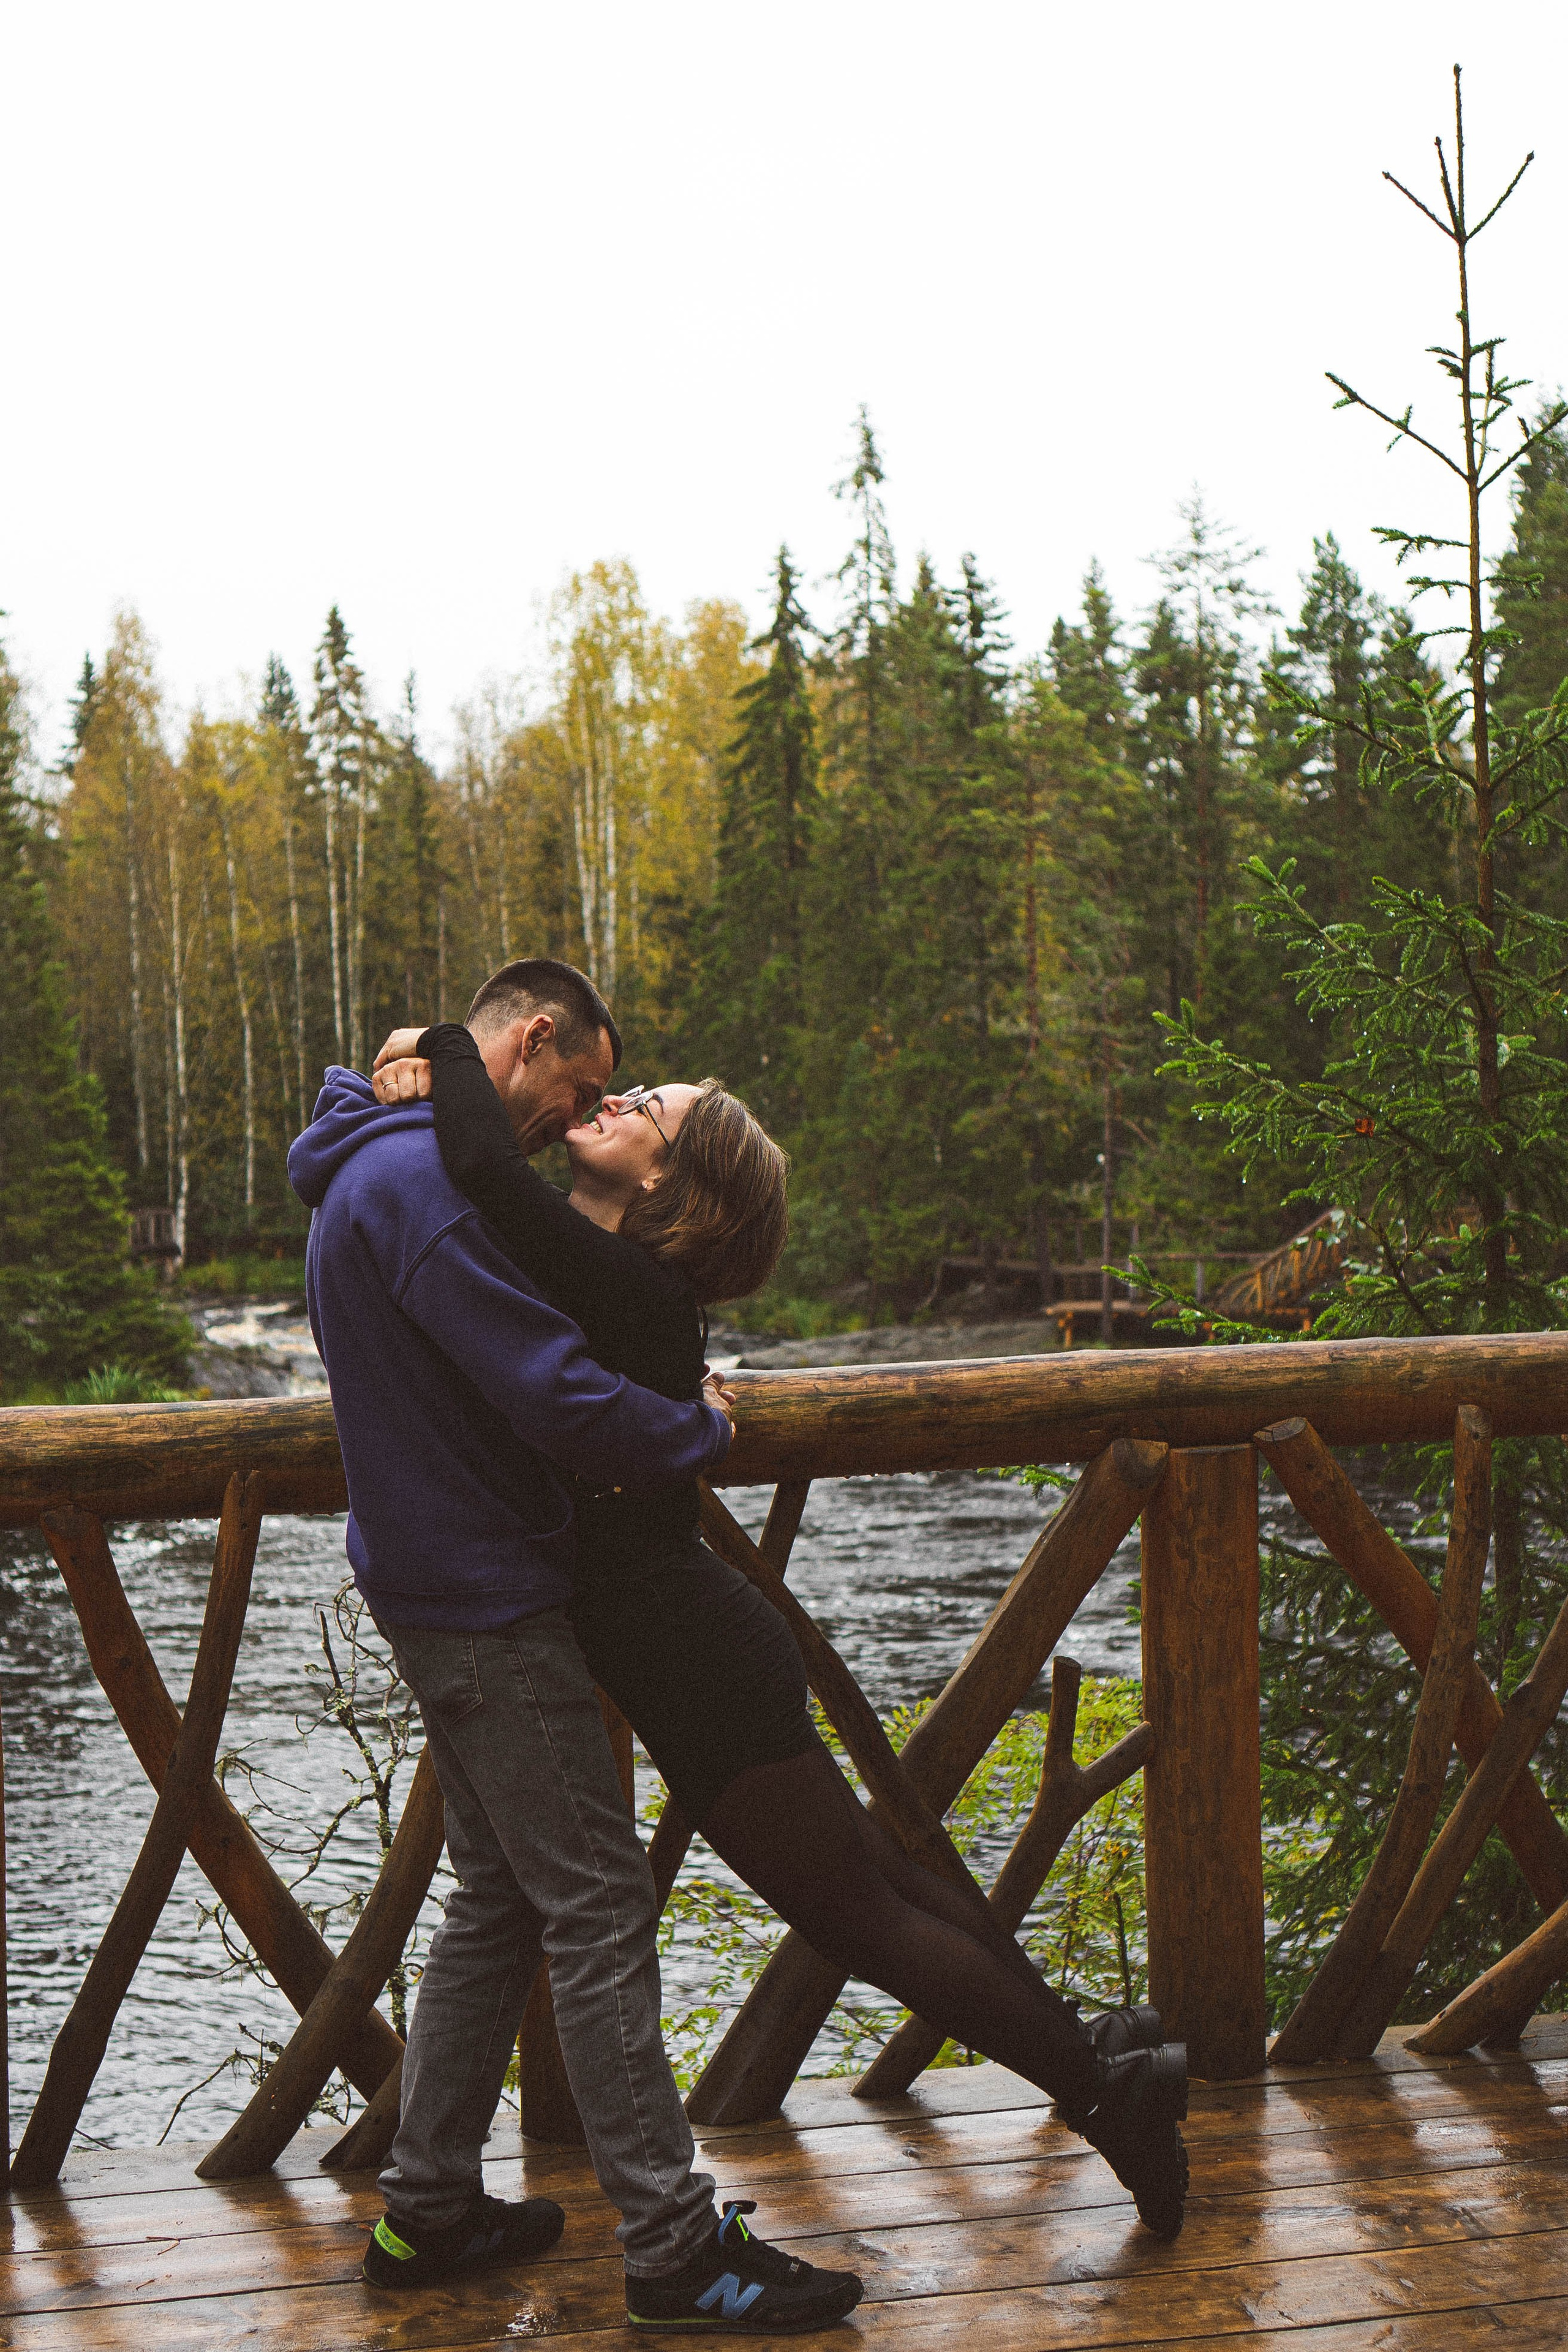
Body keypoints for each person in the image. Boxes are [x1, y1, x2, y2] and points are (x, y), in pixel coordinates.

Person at [370, 1017, 1191, 2239]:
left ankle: (1100, 2093)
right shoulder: (604, 1278)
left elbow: (485, 1168)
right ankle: (1096, 2052)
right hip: (695, 1639)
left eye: (648, 1105)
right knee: (876, 1882)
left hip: (692, 1656)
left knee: (856, 1912)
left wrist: (438, 1039)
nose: (618, 1101)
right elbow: (485, 1212)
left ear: (670, 1182)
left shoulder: (626, 1285)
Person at [289, 957, 864, 2331]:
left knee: (498, 1896)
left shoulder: (384, 1152)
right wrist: (699, 1431)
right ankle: (675, 2252)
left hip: (442, 1578)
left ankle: (428, 2211)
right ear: (532, 1040)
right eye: (582, 1085)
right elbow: (553, 1392)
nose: (576, 1115)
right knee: (599, 1903)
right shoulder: (423, 1187)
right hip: (482, 1596)